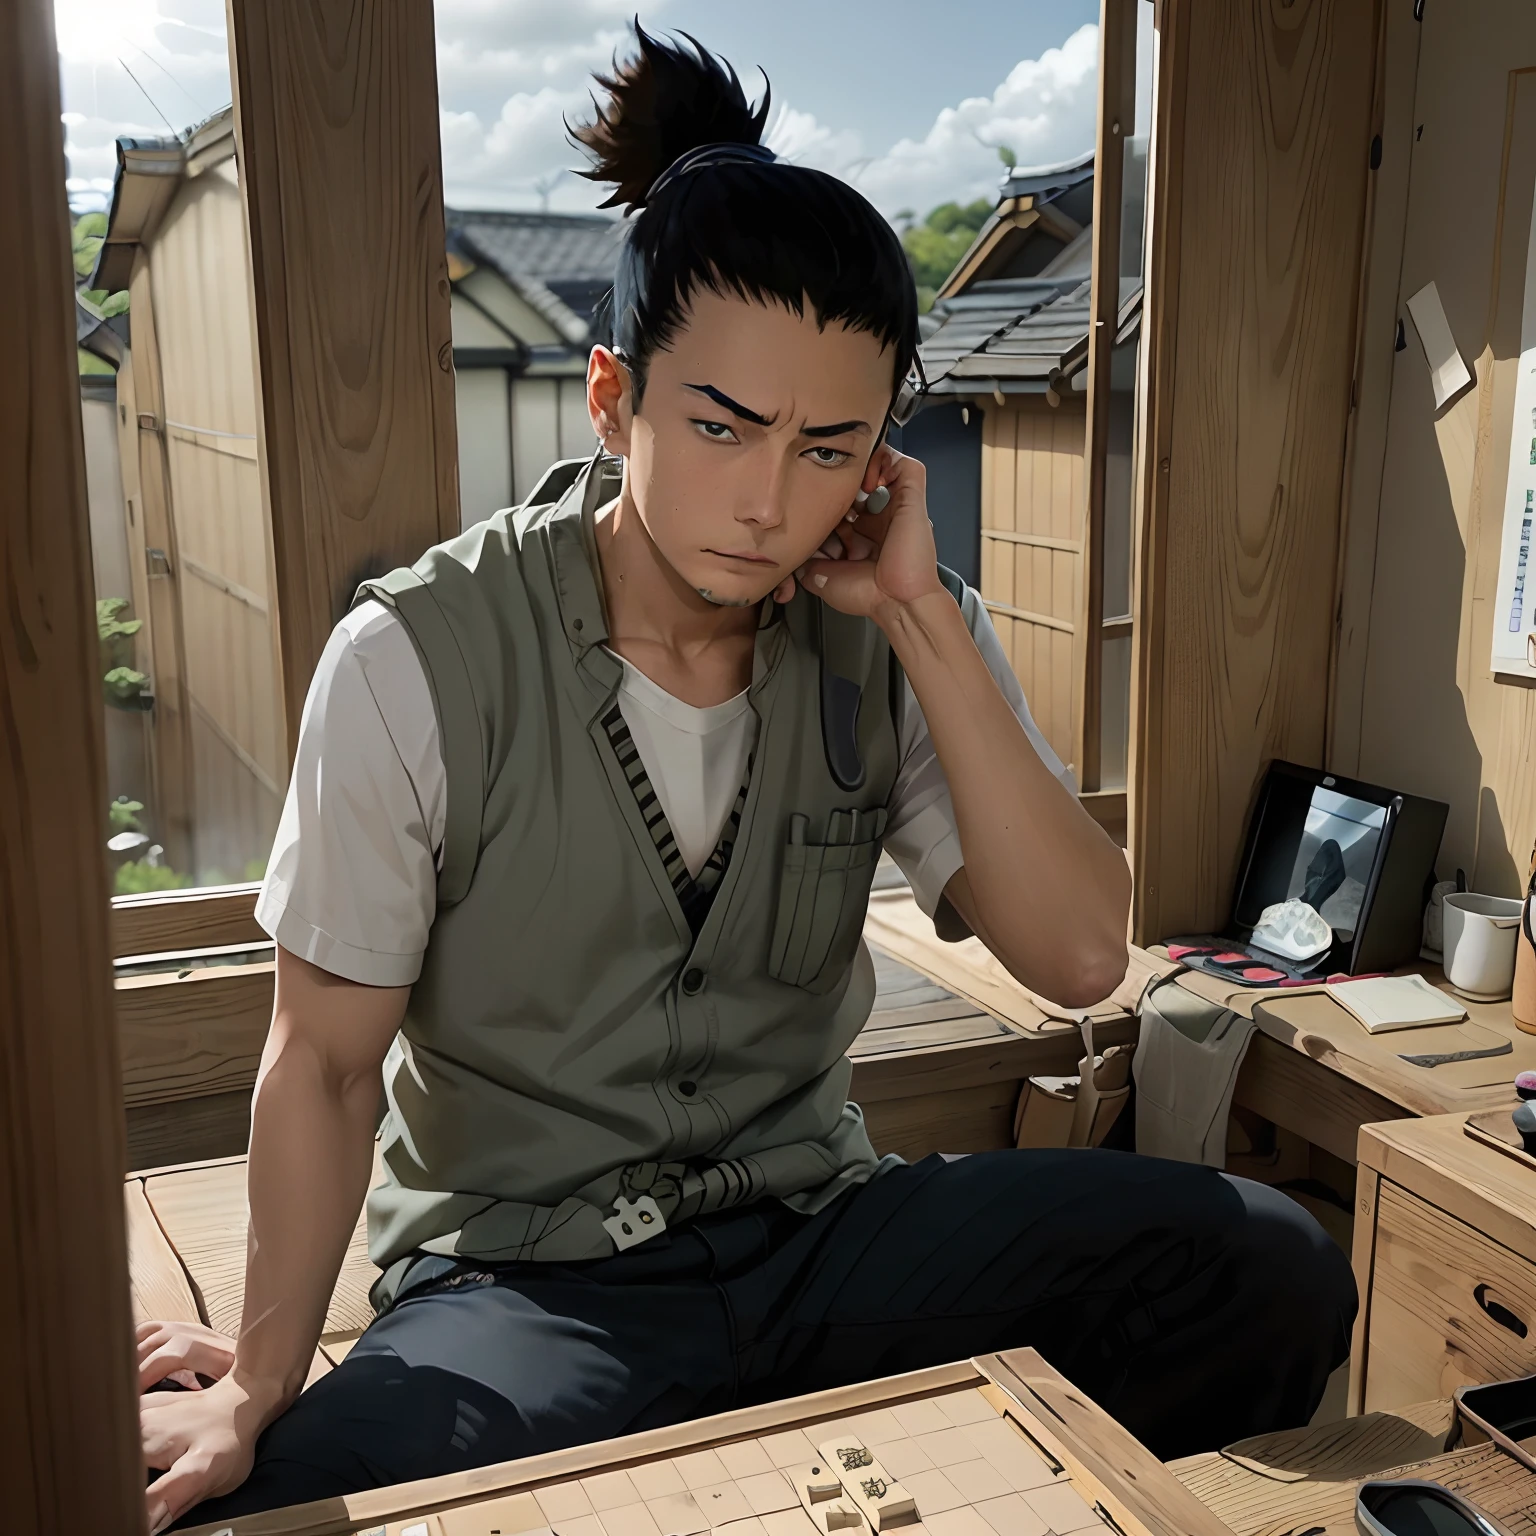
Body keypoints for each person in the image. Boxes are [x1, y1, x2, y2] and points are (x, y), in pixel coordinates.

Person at [138, 26, 1355, 1533]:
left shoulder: (898, 630)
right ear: (611, 400)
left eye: (829, 446)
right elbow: (320, 1066)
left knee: (1265, 1261)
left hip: (820, 1233)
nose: (770, 500)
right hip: (532, 1279)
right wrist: (261, 1377)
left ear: (879, 462)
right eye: (718, 427)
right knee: (284, 1507)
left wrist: (921, 617)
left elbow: (1082, 955)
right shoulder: (414, 660)